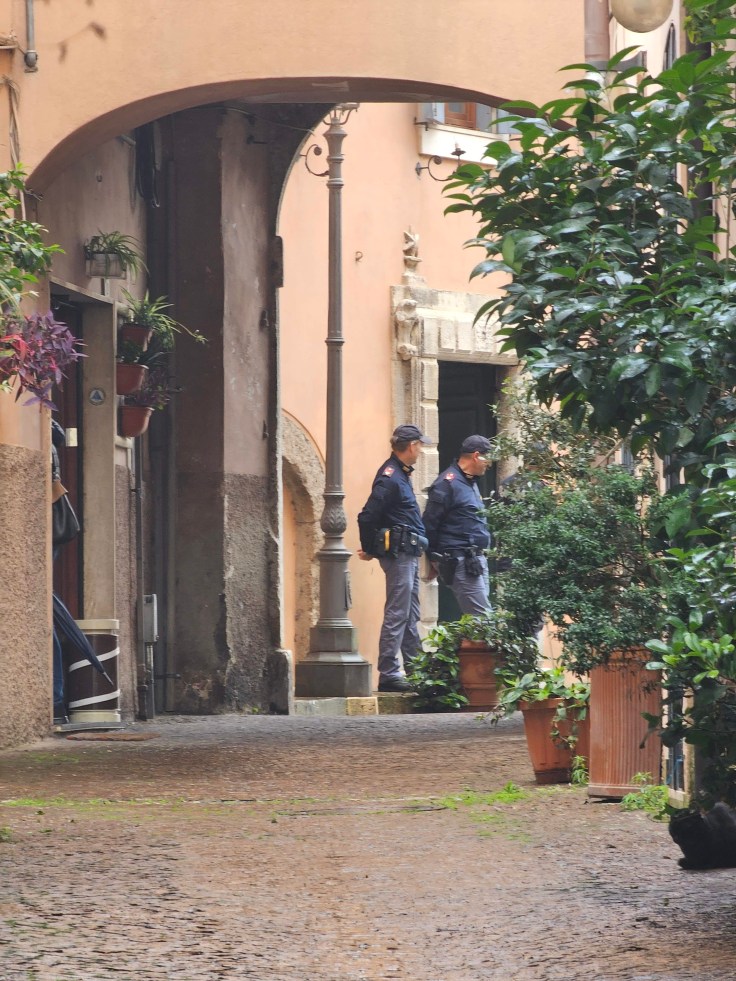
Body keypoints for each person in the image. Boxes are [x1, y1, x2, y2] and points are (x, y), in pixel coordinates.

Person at [357, 424, 431, 693]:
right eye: (420, 445)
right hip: (399, 555)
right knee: (398, 613)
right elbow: (367, 516)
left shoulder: (400, 474)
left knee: (410, 614)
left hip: (407, 553)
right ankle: (388, 672)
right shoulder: (390, 477)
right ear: (411, 446)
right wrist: (370, 548)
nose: (421, 451)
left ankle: (416, 669)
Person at [423, 434, 493, 615]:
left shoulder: (470, 481)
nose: (489, 464)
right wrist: (433, 558)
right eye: (488, 459)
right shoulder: (447, 484)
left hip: (477, 560)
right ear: (476, 456)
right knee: (483, 619)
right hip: (461, 560)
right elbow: (430, 523)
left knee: (480, 620)